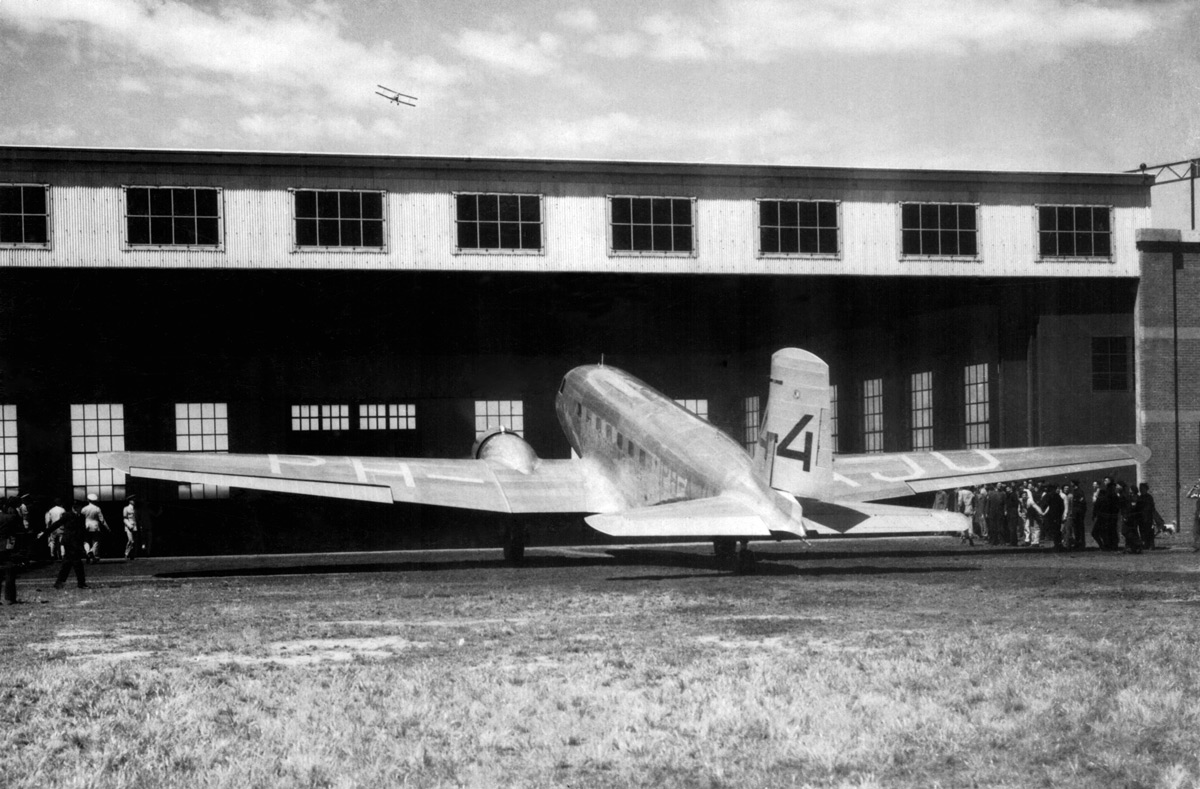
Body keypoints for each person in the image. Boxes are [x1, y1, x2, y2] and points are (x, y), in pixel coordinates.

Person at [53, 501, 87, 590]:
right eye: (80, 508)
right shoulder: (67, 515)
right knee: (77, 563)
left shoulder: (82, 517)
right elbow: (57, 524)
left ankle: (60, 582)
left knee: (67, 563)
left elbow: (82, 530)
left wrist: (83, 542)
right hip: (69, 542)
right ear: (76, 507)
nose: (81, 510)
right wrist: (45, 533)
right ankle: (81, 583)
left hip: (76, 542)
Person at [0, 499, 23, 604]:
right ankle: (9, 598)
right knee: (9, 572)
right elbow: (19, 530)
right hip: (6, 546)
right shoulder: (10, 517)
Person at [81, 493, 109, 563]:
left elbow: (80, 519)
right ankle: (92, 553)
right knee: (96, 541)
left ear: (88, 500)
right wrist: (107, 527)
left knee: (85, 541)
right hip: (95, 526)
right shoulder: (97, 508)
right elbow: (102, 520)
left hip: (86, 525)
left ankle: (88, 552)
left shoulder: (84, 509)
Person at [1069, 480, 1088, 551]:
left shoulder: (1079, 491)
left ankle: (1081, 544)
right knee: (1076, 529)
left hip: (1078, 514)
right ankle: (1078, 543)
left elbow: (1082, 502)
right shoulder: (1075, 491)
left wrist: (1079, 512)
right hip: (1076, 513)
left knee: (1079, 529)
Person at [122, 495, 140, 560]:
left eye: (134, 500)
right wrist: (129, 525)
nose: (134, 501)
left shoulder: (135, 509)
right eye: (133, 500)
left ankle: (132, 555)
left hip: (135, 526)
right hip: (129, 526)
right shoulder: (126, 508)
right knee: (130, 541)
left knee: (134, 541)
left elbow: (137, 519)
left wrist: (139, 526)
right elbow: (124, 518)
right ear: (130, 501)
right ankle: (126, 553)